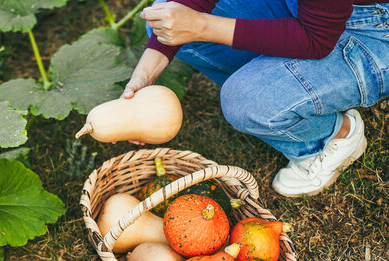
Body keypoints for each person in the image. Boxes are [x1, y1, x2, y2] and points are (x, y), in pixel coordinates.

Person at [123, 0, 389, 197]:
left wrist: (203, 26)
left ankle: (331, 138)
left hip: (376, 29)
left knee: (247, 100)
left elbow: (316, 39)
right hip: (310, 8)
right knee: (168, 16)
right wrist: (144, 75)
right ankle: (283, 87)